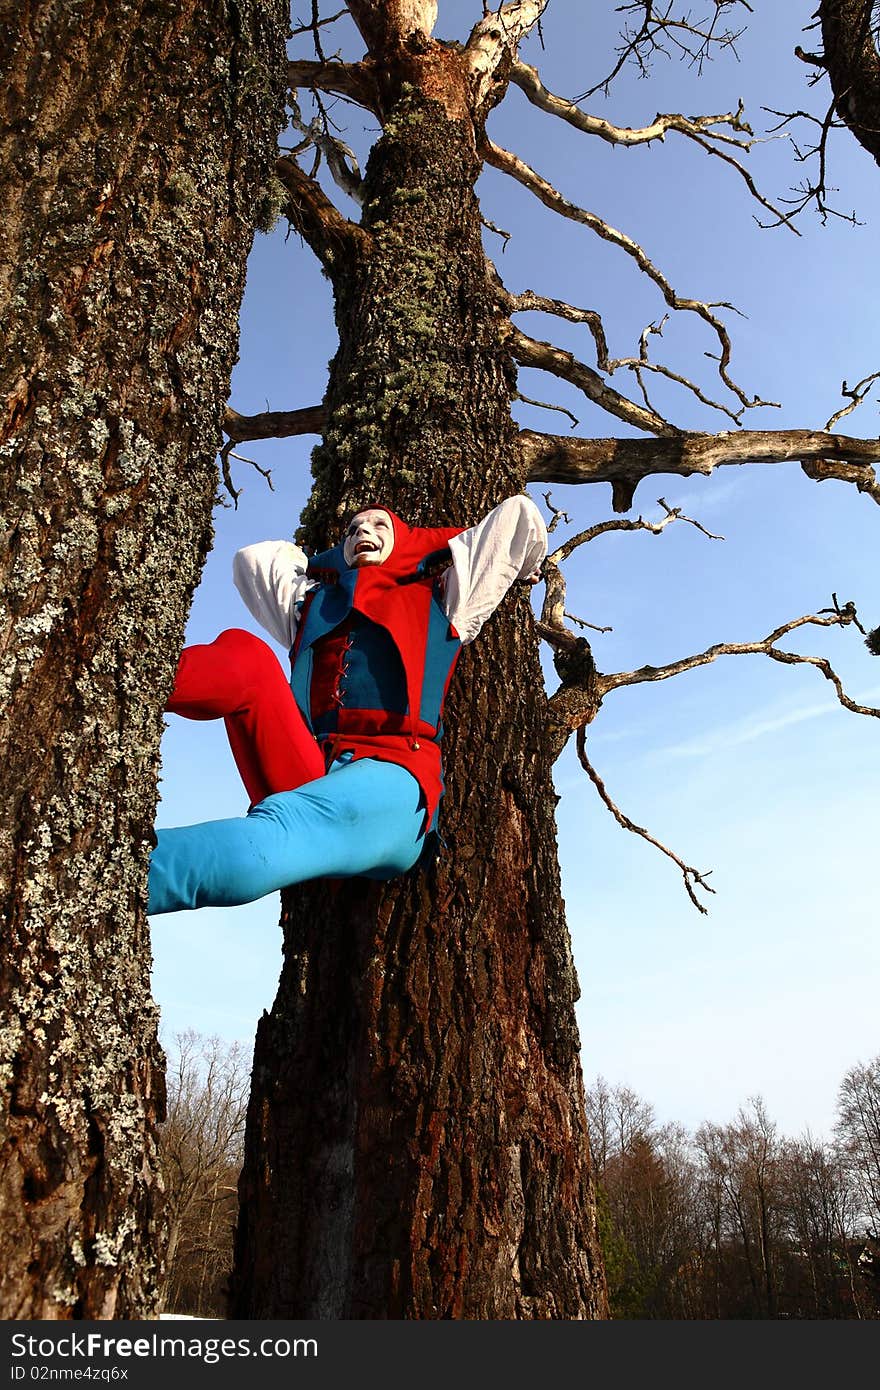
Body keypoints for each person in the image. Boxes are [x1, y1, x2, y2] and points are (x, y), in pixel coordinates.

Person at [147, 494, 547, 915]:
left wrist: (424, 546)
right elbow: (255, 561)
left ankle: (122, 871)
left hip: (395, 779)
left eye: (379, 527)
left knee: (284, 824)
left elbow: (517, 518)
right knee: (246, 655)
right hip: (313, 764)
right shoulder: (316, 608)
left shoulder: (443, 597)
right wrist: (334, 562)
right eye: (353, 530)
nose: (363, 533)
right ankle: (131, 681)